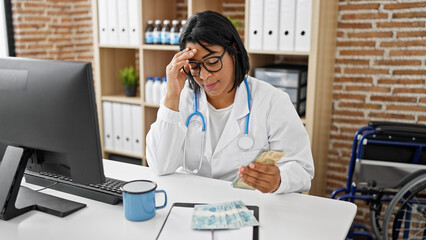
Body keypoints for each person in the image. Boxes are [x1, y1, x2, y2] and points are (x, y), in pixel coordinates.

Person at [146, 10, 314, 194]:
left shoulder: (272, 101)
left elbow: (301, 168)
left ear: (233, 50)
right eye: (194, 66)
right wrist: (171, 95)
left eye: (212, 61)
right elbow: (160, 166)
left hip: (249, 207)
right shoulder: (180, 98)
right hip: (191, 202)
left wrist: (279, 180)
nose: (204, 75)